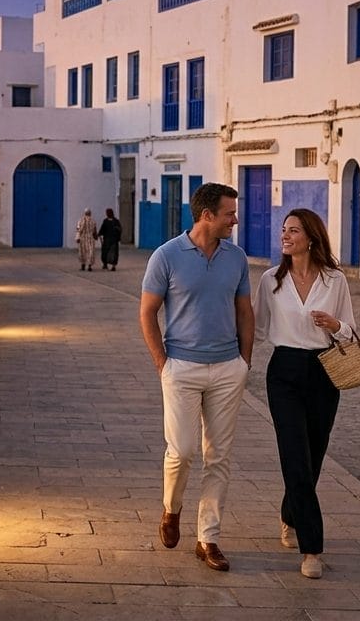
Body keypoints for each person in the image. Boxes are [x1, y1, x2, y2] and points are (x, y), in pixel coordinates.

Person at [139, 183, 253, 572]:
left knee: (218, 456)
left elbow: (245, 312)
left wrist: (244, 363)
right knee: (183, 450)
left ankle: (209, 538)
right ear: (207, 215)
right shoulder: (166, 256)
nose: (235, 220)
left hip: (227, 369)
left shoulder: (236, 258)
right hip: (181, 368)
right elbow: (147, 312)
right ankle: (171, 510)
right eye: (229, 214)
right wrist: (162, 363)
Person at [253, 208, 356, 580]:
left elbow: (350, 330)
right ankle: (311, 549)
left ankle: (288, 513)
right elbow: (258, 326)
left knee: (313, 456)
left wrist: (335, 324)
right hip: (283, 372)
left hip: (324, 371)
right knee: (294, 454)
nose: (285, 236)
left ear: (310, 237)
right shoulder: (270, 280)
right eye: (283, 230)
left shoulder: (334, 281)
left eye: (293, 230)